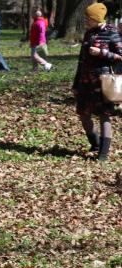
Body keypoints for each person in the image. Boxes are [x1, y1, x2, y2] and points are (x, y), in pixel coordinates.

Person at [73, 2, 122, 161]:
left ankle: (103, 154)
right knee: (83, 113)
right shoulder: (89, 33)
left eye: (88, 18)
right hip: (85, 80)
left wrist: (102, 52)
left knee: (104, 115)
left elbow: (120, 56)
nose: (86, 20)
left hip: (103, 81)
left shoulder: (112, 33)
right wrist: (76, 83)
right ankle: (95, 144)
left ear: (96, 18)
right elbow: (81, 60)